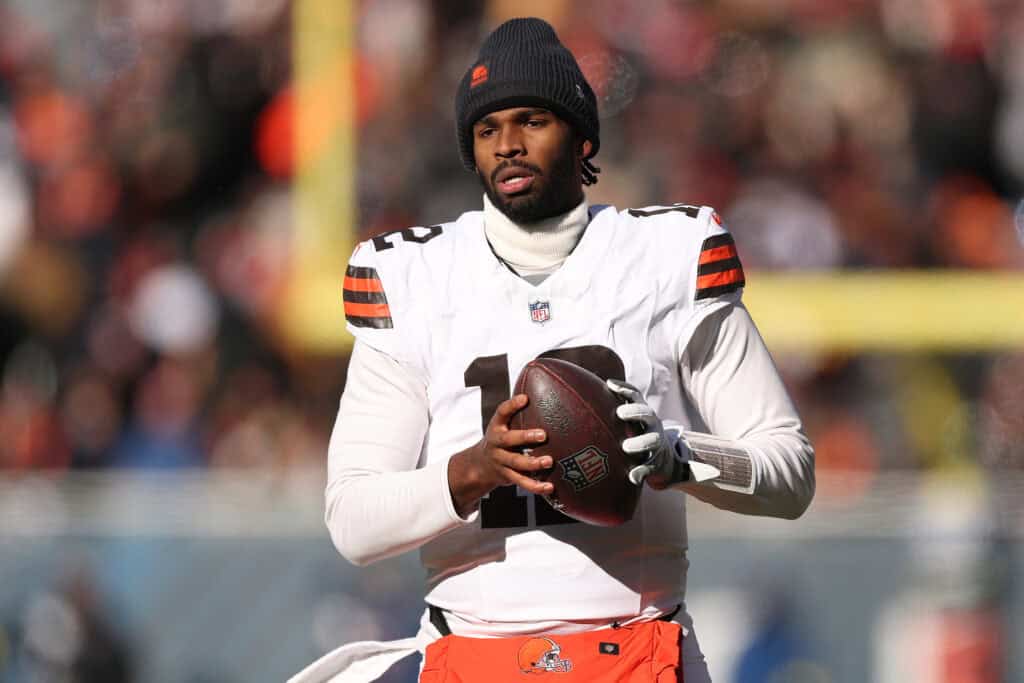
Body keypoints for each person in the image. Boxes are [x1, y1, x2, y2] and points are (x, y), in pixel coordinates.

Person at [291, 17, 814, 683]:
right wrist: (473, 469)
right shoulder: (415, 279)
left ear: (581, 132)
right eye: (487, 129)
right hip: (470, 650)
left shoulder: (665, 258)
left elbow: (790, 473)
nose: (508, 144)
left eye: (532, 120)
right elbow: (354, 520)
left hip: (637, 647)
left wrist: (677, 455)